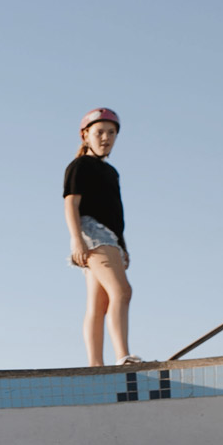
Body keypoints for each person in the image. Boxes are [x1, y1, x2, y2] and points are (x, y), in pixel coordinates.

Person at [64, 107, 142, 366]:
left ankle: (95, 366)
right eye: (99, 132)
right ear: (85, 135)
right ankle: (123, 356)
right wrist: (77, 239)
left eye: (111, 133)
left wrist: (123, 246)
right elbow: (71, 204)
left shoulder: (111, 172)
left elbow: (115, 213)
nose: (106, 138)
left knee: (99, 304)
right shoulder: (79, 165)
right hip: (92, 232)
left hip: (111, 238)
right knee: (122, 291)